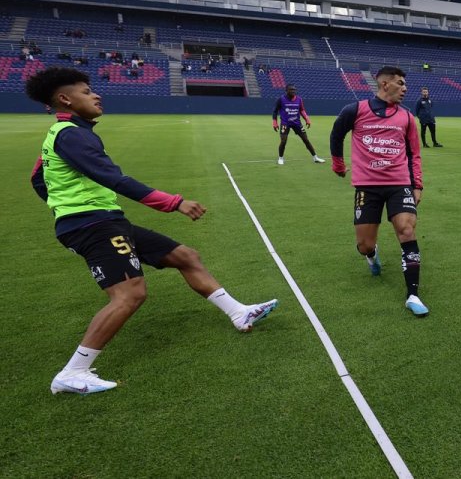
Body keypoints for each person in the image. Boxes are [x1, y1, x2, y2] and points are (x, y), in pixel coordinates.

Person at [25, 67, 277, 395]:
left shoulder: (67, 132)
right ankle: (74, 372)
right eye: (87, 92)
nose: (96, 95)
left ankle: (239, 313)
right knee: (130, 294)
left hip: (104, 220)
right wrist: (173, 202)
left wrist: (61, 206)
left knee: (185, 256)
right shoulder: (71, 134)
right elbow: (114, 178)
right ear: (65, 99)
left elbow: (37, 178)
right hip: (93, 224)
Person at [329, 67, 429, 317]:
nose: (405, 88)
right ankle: (372, 257)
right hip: (367, 186)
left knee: (407, 230)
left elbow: (414, 153)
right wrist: (338, 164)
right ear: (385, 84)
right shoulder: (355, 110)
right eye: (400, 83)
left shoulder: (406, 117)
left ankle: (413, 295)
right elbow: (336, 134)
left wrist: (417, 184)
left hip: (399, 183)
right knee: (364, 244)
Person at [272, 84, 325, 165]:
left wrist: (307, 119)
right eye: (291, 90)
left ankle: (315, 158)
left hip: (297, 123)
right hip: (285, 123)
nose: (293, 91)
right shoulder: (281, 99)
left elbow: (302, 110)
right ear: (286, 90)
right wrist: (274, 122)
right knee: (283, 141)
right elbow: (275, 111)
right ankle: (280, 158)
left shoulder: (299, 99)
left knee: (306, 140)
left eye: (294, 90)